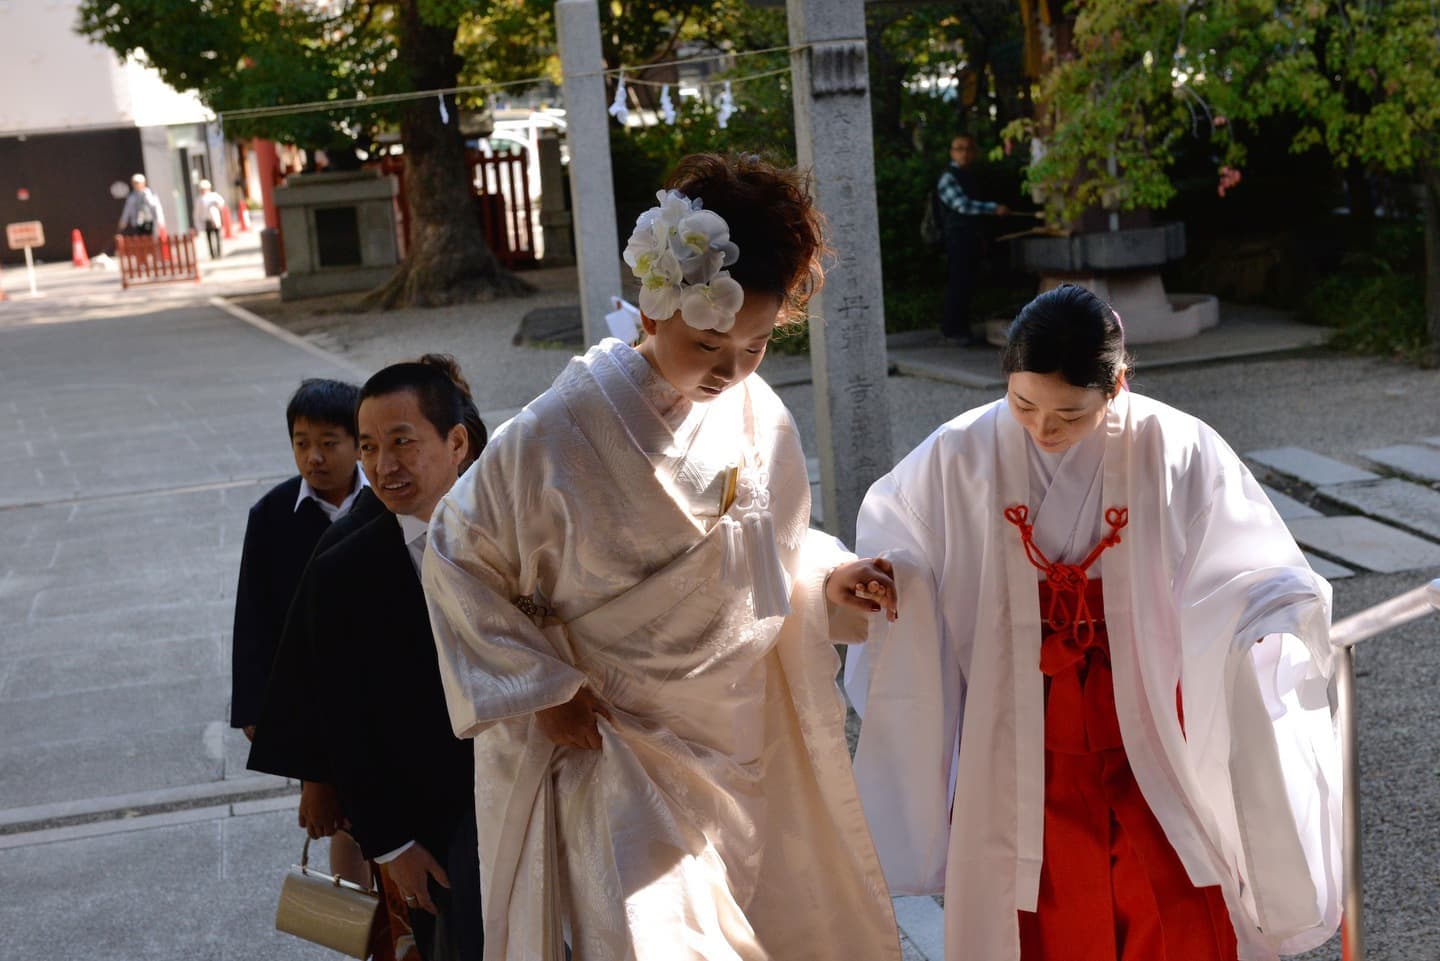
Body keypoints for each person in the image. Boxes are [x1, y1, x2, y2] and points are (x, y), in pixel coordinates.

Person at [422, 153, 903, 961]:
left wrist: (827, 581)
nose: (730, 369)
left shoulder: (760, 417)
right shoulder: (552, 434)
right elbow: (454, 557)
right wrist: (541, 688)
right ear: (653, 308)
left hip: (733, 734)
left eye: (753, 345)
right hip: (612, 738)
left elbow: (769, 551)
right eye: (710, 342)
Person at [845, 284, 1342, 961]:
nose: (1043, 428)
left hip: (1144, 714)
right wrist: (890, 580)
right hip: (1022, 727)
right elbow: (906, 537)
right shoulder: (959, 452)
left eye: (1069, 413)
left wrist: (1274, 604)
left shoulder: (1175, 445)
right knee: (1035, 896)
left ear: (1118, 385)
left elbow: (1242, 559)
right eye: (1024, 404)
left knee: (1172, 888)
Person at [249, 356, 485, 961]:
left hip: (537, 784)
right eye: (370, 447)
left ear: (458, 442)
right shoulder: (343, 569)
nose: (383, 466)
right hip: (432, 810)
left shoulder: (519, 523)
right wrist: (392, 843)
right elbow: (344, 717)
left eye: (402, 443)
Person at [230, 378, 368, 741]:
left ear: (359, 446)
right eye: (301, 443)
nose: (313, 457)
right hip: (310, 684)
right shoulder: (271, 514)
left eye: (328, 443)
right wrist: (253, 702)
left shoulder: (385, 502)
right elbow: (253, 610)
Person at [937, 135, 1009, 345]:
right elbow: (963, 206)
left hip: (970, 237)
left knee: (967, 283)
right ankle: (951, 331)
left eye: (968, 149)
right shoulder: (948, 177)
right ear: (951, 152)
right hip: (956, 238)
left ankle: (961, 330)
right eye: (959, 149)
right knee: (958, 283)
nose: (964, 153)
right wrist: (993, 208)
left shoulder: (967, 175)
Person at [194, 179, 225, 258]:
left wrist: (217, 204)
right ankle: (212, 254)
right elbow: (197, 213)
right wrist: (198, 224)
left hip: (215, 219)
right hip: (207, 220)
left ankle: (219, 253)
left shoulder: (214, 196)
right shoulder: (199, 199)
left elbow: (221, 203)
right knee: (209, 238)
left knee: (217, 236)